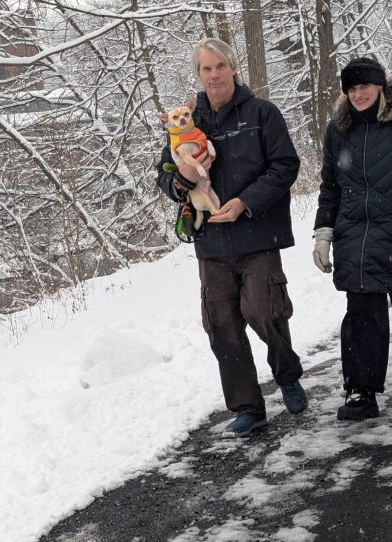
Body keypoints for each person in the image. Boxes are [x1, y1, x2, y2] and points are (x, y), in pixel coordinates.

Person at [157, 38, 307, 437]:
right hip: (212, 243)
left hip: (257, 234)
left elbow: (286, 166)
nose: (214, 75)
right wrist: (184, 179)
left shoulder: (262, 114)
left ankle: (287, 376)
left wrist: (245, 201)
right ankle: (247, 407)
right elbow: (164, 178)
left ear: (234, 68)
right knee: (221, 325)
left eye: (220, 66)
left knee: (264, 311)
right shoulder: (186, 121)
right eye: (206, 69)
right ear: (198, 75)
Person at [312, 57, 392, 421]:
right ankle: (361, 390)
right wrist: (324, 233)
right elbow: (330, 187)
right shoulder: (338, 130)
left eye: (364, 87)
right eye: (351, 89)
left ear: (380, 87)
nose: (358, 94)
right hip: (356, 236)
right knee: (361, 315)